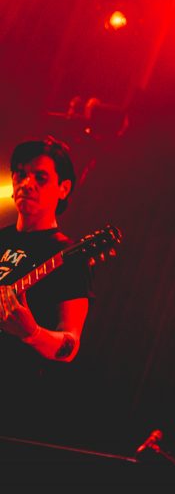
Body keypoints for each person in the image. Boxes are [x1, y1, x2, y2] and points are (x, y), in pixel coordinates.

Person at [0, 137, 91, 378]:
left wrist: (32, 332)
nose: (27, 184)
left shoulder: (68, 256)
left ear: (64, 188)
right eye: (20, 174)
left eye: (41, 177)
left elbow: (70, 347)